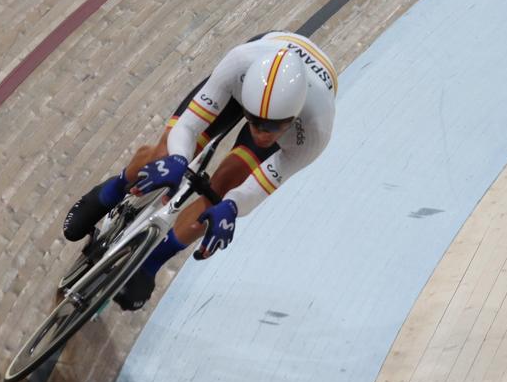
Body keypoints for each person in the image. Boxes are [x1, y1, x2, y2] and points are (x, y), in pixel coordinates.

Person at [62, 31, 337, 310]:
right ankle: (109, 192)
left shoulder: (315, 131)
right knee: (165, 153)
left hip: (302, 96)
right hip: (245, 80)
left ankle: (152, 262)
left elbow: (259, 188)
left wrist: (231, 206)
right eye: (253, 122)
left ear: (293, 117)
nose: (260, 133)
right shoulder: (239, 63)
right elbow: (189, 127)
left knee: (224, 189)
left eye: (273, 128)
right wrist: (178, 160)